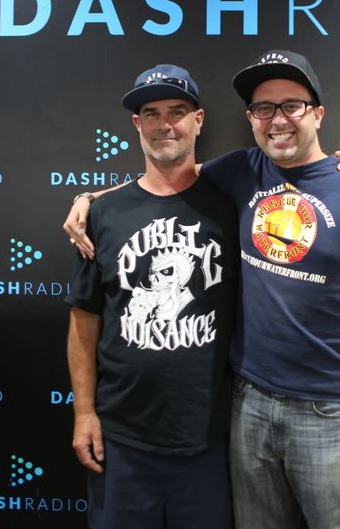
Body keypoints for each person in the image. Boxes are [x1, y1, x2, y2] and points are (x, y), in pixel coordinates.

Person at [65, 50, 340, 529]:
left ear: (318, 113)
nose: (278, 119)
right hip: (248, 407)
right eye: (264, 108)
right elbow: (166, 177)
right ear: (251, 118)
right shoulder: (243, 172)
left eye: (292, 105)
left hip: (332, 414)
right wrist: (89, 198)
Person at [65, 64, 238, 528]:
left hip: (211, 438)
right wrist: (84, 412)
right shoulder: (102, 214)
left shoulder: (234, 206)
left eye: (177, 111)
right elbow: (84, 320)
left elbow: (301, 172)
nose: (165, 124)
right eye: (152, 113)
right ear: (137, 124)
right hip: (121, 438)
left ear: (198, 120)